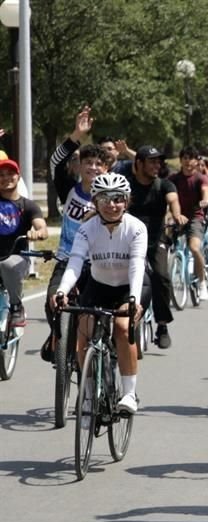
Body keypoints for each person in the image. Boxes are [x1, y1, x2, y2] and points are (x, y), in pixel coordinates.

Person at [52, 173, 149, 415]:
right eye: (105, 198)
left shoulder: (136, 228)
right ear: (95, 202)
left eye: (118, 198)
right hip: (99, 285)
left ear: (126, 201)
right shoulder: (87, 229)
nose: (112, 204)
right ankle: (87, 392)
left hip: (130, 286)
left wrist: (133, 300)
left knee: (122, 328)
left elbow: (137, 264)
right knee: (83, 329)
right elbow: (75, 262)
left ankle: (128, 393)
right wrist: (62, 290)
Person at [45, 107, 110, 354]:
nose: (93, 167)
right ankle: (60, 340)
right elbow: (55, 162)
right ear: (79, 166)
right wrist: (76, 135)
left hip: (100, 263)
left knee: (98, 312)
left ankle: (104, 350)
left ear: (106, 169)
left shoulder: (114, 198)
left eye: (99, 164)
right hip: (67, 259)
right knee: (53, 302)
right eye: (88, 163)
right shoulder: (69, 190)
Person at [119, 145, 185, 348]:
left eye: (159, 162)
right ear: (138, 163)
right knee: (120, 276)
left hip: (157, 240)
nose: (157, 165)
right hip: (128, 240)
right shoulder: (126, 185)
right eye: (152, 161)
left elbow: (173, 201)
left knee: (161, 276)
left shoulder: (164, 185)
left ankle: (162, 325)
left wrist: (176, 215)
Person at [0, 158, 47, 327]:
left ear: (18, 177)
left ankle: (16, 306)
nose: (6, 177)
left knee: (8, 264)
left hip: (17, 258)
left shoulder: (28, 206)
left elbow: (42, 226)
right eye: (1, 174)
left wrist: (38, 232)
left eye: (10, 174)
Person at [168, 146, 208, 301]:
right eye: (185, 158)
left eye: (191, 158)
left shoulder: (201, 178)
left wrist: (205, 201)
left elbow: (206, 191)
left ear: (196, 161)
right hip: (178, 216)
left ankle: (202, 283)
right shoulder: (173, 179)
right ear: (180, 160)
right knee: (165, 244)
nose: (188, 161)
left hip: (195, 217)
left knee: (194, 247)